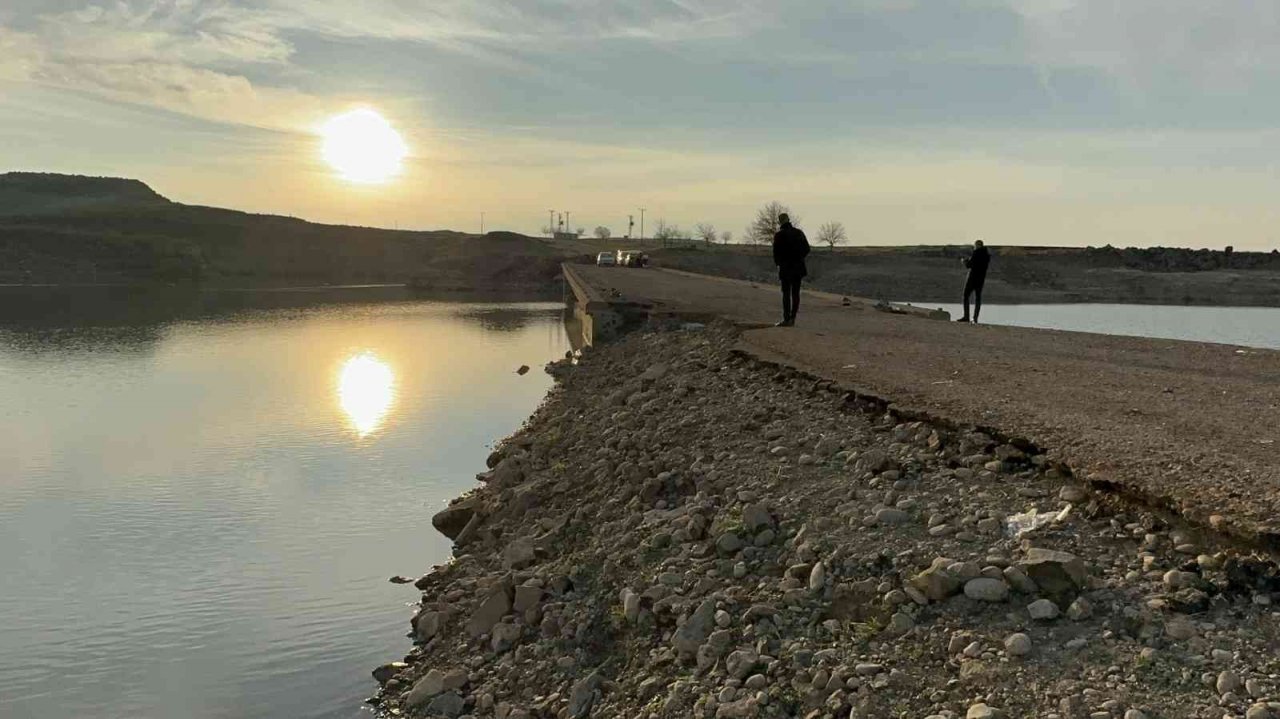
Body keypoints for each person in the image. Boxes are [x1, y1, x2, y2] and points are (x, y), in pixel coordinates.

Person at [772, 213, 810, 327]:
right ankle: (793, 318)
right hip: (798, 268)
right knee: (796, 293)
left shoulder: (779, 235)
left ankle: (786, 319)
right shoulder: (798, 233)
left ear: (780, 222)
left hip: (785, 268)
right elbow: (807, 249)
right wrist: (799, 258)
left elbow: (775, 254)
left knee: (786, 293)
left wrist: (779, 263)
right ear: (789, 220)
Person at [959, 239, 991, 323]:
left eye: (975, 246)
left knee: (966, 296)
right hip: (981, 279)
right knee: (978, 298)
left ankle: (966, 317)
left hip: (972, 278)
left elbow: (969, 265)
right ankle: (975, 318)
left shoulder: (976, 253)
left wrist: (964, 261)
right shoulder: (987, 255)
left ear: (977, 245)